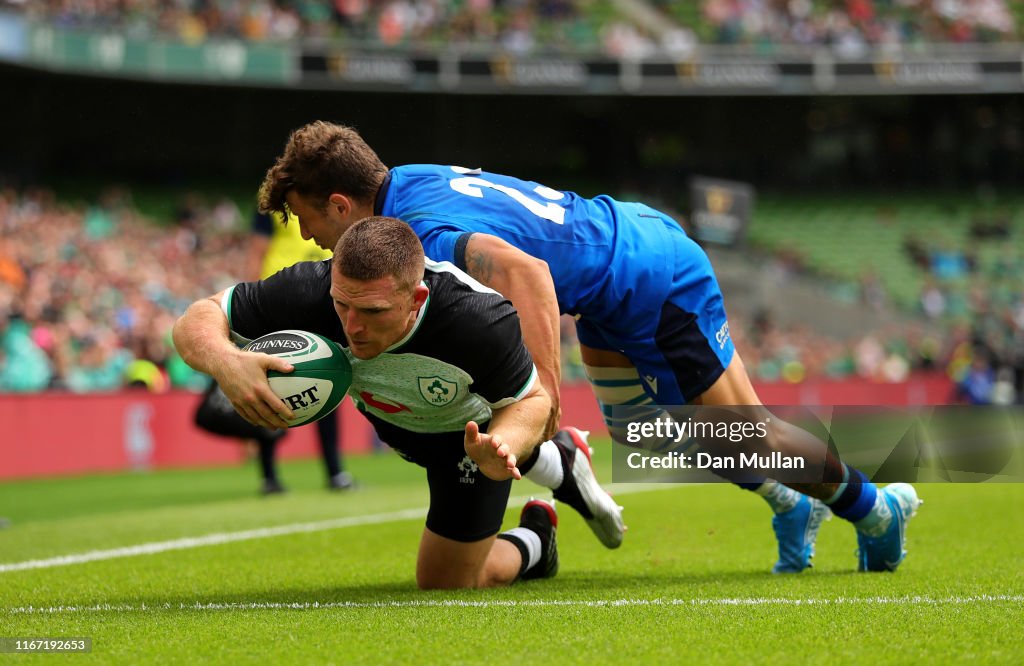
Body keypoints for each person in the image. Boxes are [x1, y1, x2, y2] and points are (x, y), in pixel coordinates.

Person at [256, 120, 922, 574]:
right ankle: (791, 502)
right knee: (646, 436)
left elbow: (528, 274)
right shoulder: (409, 183)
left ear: (341, 204)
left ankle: (874, 508)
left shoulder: (422, 227)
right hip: (608, 284)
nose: (308, 236)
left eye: (305, 217)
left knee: (745, 432)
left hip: (646, 273)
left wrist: (544, 389)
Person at [172, 216, 624, 588]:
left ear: (416, 298)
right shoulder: (308, 290)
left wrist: (502, 444)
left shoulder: (478, 321)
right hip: (398, 425)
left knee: (448, 585)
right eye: (342, 304)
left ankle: (535, 541)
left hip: (467, 439)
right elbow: (198, 318)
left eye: (372, 312)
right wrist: (227, 361)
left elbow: (531, 401)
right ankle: (559, 461)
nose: (353, 326)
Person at [249, 208, 353, 493]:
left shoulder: (327, 200)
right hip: (278, 297)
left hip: (322, 296)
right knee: (271, 388)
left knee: (325, 380)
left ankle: (334, 471)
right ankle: (269, 476)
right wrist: (253, 301)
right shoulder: (272, 204)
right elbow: (257, 251)